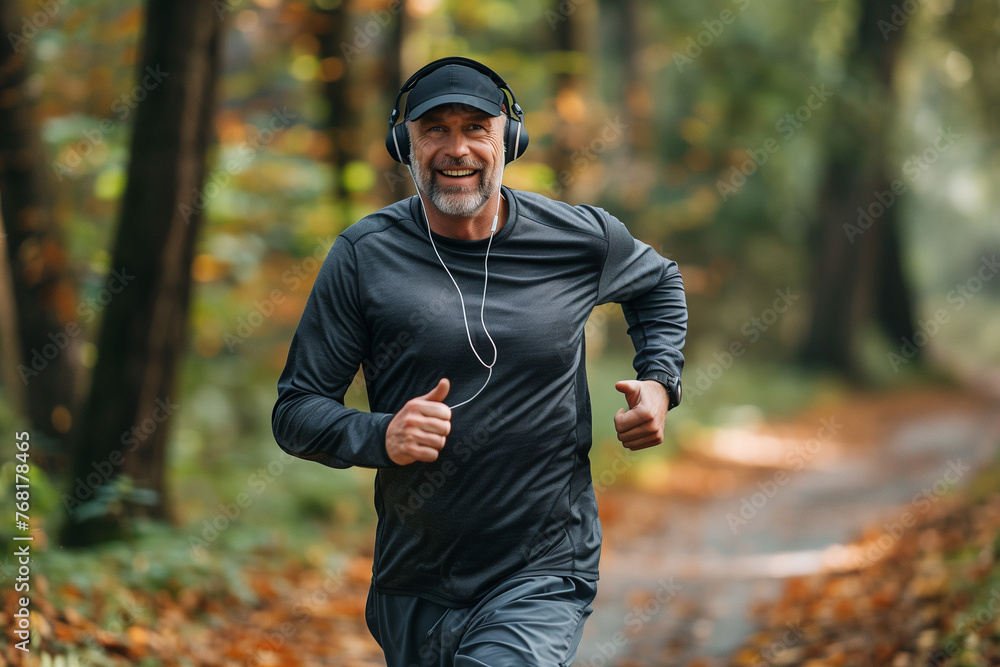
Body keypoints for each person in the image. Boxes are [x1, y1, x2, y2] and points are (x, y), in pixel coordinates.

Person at [272, 56, 686, 666]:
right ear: (403, 143)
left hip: (542, 570)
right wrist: (381, 433)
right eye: (435, 129)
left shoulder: (578, 239)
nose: (456, 147)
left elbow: (659, 284)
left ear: (507, 139)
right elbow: (296, 412)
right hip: (414, 580)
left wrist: (658, 381)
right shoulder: (365, 257)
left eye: (476, 127)